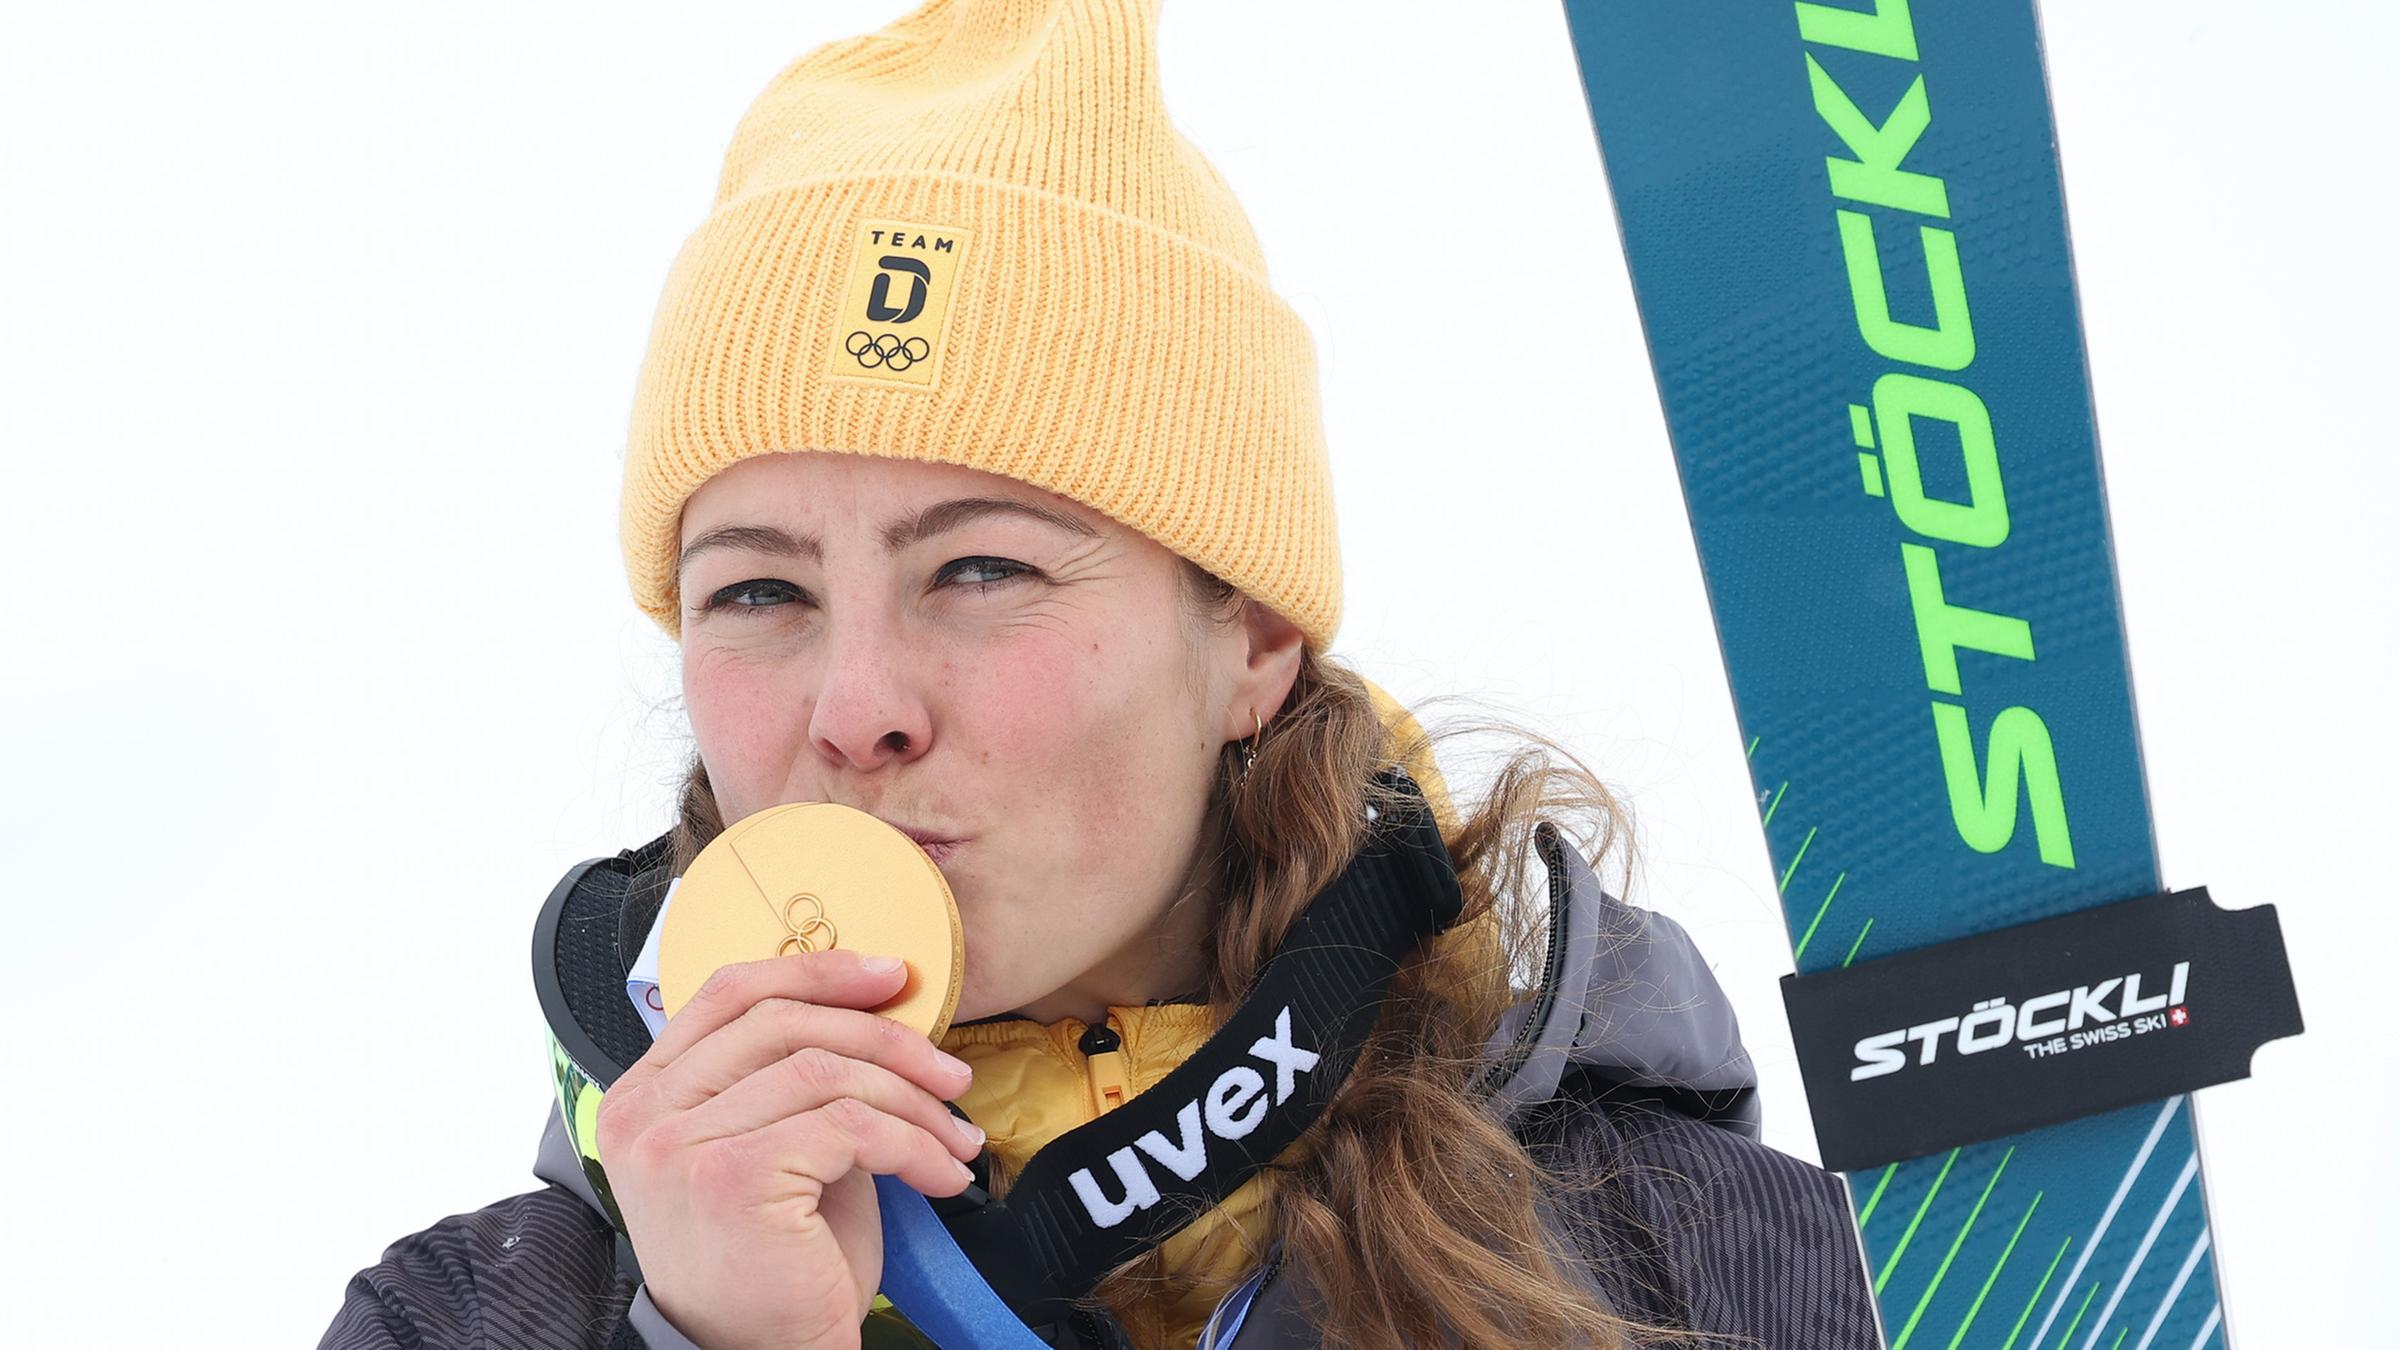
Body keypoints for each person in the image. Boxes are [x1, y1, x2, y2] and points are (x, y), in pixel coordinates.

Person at [320, 1, 1881, 1346]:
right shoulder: (464, 1316)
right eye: (759, 589)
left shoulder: (1697, 1264)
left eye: (979, 568)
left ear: (1254, 635)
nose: (855, 703)